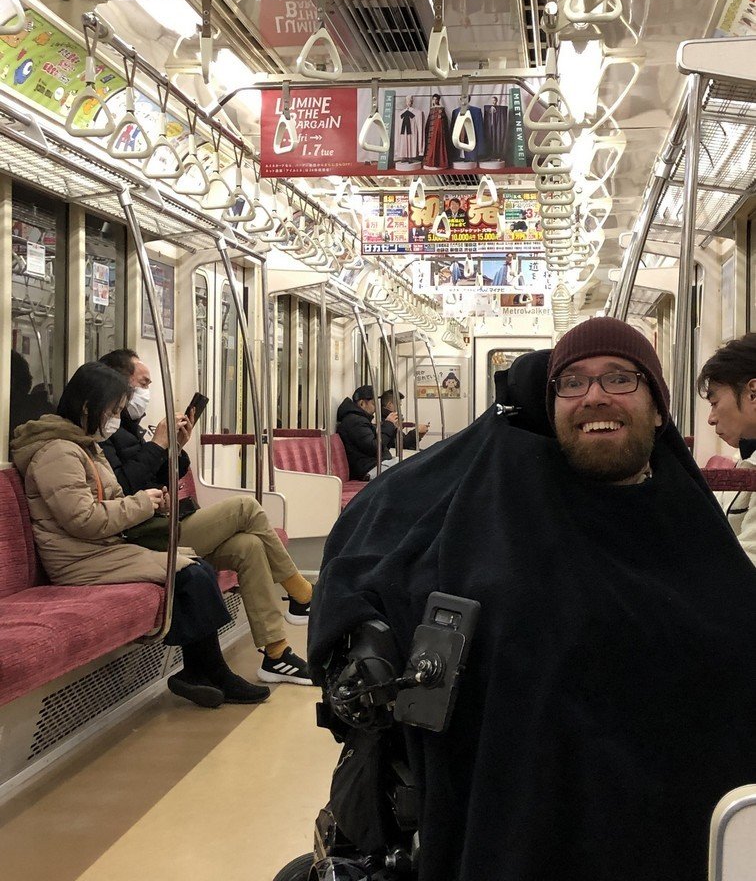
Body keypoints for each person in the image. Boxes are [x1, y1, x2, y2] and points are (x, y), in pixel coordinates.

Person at [309, 318, 756, 881]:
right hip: (527, 811)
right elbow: (376, 559)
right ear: (552, 406)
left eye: (620, 379)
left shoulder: (697, 542)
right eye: (572, 382)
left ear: (658, 408)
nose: (594, 395)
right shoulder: (506, 527)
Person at [10, 362, 270, 709]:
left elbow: (109, 499)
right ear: (89, 407)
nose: (116, 418)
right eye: (113, 410)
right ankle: (209, 670)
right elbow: (83, 519)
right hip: (79, 560)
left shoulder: (83, 446)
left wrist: (152, 503)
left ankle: (200, 669)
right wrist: (140, 505)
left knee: (195, 568)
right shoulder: (58, 452)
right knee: (192, 573)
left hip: (101, 549)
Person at [98, 349, 313, 686]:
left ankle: (276, 654)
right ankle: (302, 594)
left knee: (248, 546)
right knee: (247, 509)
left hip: (167, 521)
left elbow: (163, 477)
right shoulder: (104, 435)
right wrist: (158, 443)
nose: (147, 391)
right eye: (143, 383)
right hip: (143, 535)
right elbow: (123, 488)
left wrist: (176, 447)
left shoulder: (133, 429)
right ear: (119, 383)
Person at [698, 333, 756, 565]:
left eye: (714, 403)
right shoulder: (745, 459)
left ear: (753, 393)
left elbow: (749, 561)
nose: (711, 419)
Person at [336, 385, 402, 481]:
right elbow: (374, 447)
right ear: (362, 403)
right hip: (368, 469)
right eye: (373, 404)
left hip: (376, 464)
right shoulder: (355, 421)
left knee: (414, 465)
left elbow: (384, 446)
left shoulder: (361, 420)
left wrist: (393, 428)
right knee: (410, 470)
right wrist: (388, 425)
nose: (375, 409)